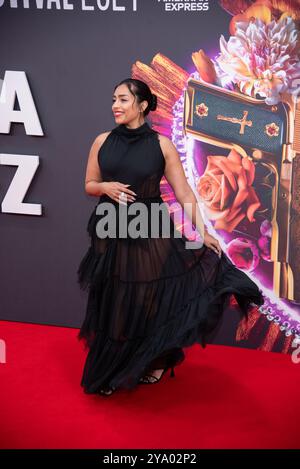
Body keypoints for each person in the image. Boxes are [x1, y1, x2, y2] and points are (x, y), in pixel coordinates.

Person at [77, 78, 264, 396]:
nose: (115, 106)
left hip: (149, 231)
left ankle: (157, 360)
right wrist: (105, 187)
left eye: (123, 100)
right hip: (110, 230)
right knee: (114, 303)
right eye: (113, 100)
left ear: (143, 105)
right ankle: (112, 369)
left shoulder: (161, 145)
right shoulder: (101, 141)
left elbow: (184, 194)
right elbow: (90, 184)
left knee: (146, 302)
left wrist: (202, 233)